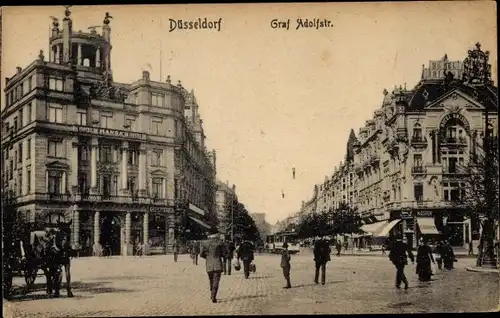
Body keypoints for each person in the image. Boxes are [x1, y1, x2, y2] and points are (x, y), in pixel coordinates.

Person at [200, 227, 225, 303]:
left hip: (209, 264)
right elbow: (223, 253)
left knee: (211, 280)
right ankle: (213, 295)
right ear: (216, 234)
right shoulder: (220, 242)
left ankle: (212, 293)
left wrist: (208, 257)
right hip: (217, 264)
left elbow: (201, 254)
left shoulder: (204, 242)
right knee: (216, 281)